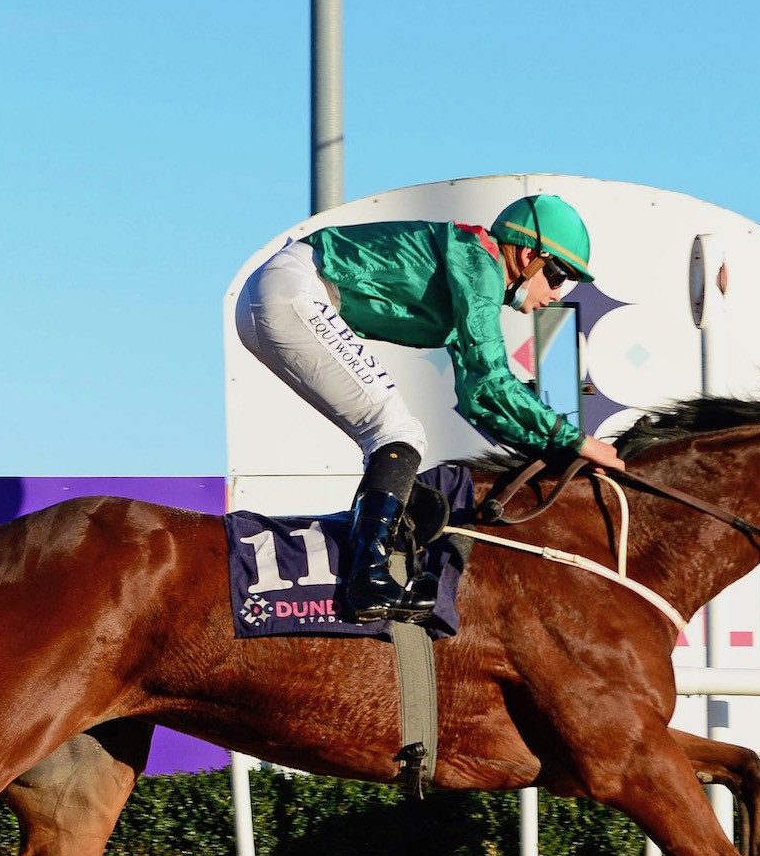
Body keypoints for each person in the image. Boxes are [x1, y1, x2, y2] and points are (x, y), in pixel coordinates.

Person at [235, 193, 628, 624]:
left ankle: (371, 567)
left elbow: (480, 396)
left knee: (393, 431)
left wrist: (555, 452)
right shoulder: (479, 262)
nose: (557, 295)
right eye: (558, 278)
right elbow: (495, 379)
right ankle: (366, 574)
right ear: (529, 255)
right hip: (294, 289)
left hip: (281, 294)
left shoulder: (473, 281)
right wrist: (574, 439)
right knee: (395, 430)